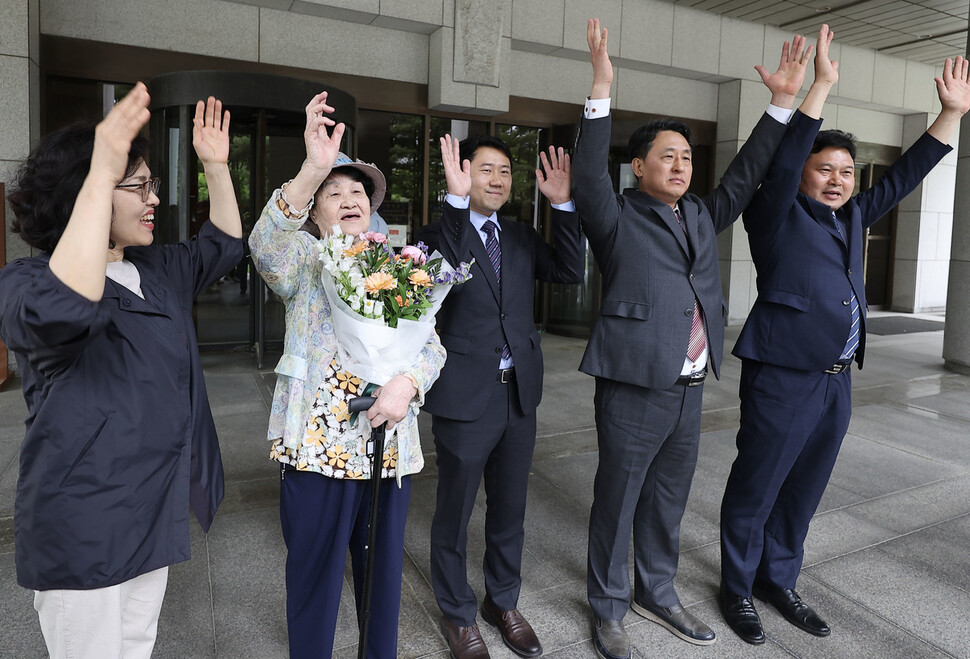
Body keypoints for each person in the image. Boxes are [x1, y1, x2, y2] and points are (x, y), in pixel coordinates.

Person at [718, 27, 970, 645]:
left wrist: (950, 114)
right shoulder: (773, 215)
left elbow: (906, 174)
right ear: (800, 174)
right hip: (782, 377)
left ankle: (780, 579)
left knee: (804, 488)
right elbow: (776, 170)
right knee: (759, 483)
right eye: (823, 169)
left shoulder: (852, 215)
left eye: (846, 171)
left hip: (836, 381)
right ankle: (737, 590)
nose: (837, 179)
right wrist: (820, 87)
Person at [573, 18, 812, 659]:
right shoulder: (617, 218)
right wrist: (600, 86)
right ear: (639, 168)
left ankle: (657, 588)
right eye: (666, 157)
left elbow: (746, 172)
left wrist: (782, 104)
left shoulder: (704, 214)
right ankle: (609, 610)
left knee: (668, 497)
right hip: (633, 382)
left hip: (688, 384)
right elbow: (589, 175)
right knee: (617, 500)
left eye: (685, 157)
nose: (679, 165)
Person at [0, 84, 242, 658]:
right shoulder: (27, 283)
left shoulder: (153, 267)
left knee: (135, 648)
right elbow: (70, 307)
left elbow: (224, 246)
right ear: (86, 192)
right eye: (137, 185)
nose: (154, 197)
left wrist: (216, 166)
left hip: (152, 508)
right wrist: (100, 172)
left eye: (151, 183)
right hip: (86, 520)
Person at [248, 91, 445, 658]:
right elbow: (265, 244)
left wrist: (409, 384)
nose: (348, 197)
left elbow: (431, 347)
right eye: (333, 192)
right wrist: (313, 167)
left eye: (357, 190)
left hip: (388, 450)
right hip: (317, 448)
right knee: (312, 575)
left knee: (382, 584)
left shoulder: (400, 264)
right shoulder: (305, 261)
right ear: (315, 211)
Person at [418, 135, 584, 658]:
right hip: (465, 396)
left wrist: (562, 205)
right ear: (464, 173)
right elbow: (441, 268)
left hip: (519, 396)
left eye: (505, 171)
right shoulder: (437, 234)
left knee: (510, 508)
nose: (497, 180)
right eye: (486, 169)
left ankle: (503, 601)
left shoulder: (519, 235)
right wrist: (454, 201)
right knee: (455, 510)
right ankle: (458, 613)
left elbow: (569, 271)